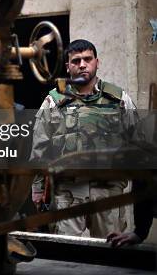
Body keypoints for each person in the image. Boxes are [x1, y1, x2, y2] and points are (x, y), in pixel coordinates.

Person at [31, 39, 136, 238]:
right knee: (66, 256)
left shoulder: (119, 98)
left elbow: (138, 143)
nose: (82, 65)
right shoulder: (54, 100)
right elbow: (39, 148)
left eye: (87, 59)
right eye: (76, 60)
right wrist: (37, 189)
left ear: (97, 62)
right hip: (66, 192)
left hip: (108, 193)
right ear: (68, 66)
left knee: (111, 255)